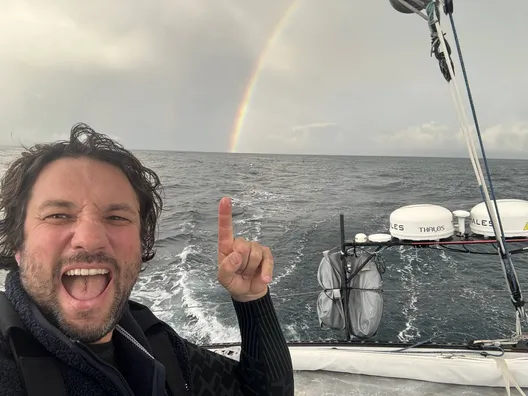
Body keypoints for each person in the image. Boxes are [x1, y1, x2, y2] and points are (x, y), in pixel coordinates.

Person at [0, 123, 294, 396]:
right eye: (58, 215)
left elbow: (262, 391)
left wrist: (252, 299)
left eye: (116, 217)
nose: (90, 238)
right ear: (17, 243)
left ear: (141, 244)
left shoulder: (150, 340)